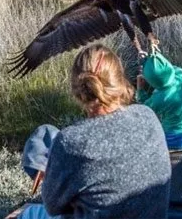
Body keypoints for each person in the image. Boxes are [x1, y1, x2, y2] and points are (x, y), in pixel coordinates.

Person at [20, 44, 172, 219]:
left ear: (78, 90)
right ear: (119, 80)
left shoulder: (70, 142)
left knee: (31, 214)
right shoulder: (147, 115)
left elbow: (53, 207)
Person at [136, 50, 182, 152]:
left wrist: (140, 89)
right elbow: (163, 69)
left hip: (175, 140)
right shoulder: (181, 73)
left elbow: (143, 109)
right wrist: (148, 60)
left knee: (141, 137)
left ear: (150, 80)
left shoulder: (160, 99)